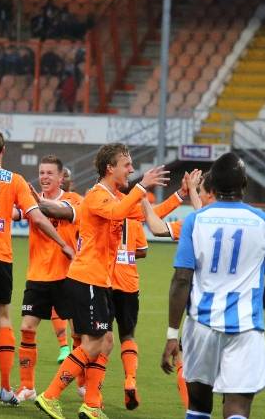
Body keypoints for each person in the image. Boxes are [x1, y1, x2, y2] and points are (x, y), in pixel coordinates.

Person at [35, 143, 169, 419]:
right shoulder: (97, 196)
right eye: (127, 165)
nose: (131, 169)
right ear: (110, 168)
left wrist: (179, 195)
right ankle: (50, 396)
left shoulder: (114, 197)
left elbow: (147, 215)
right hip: (87, 280)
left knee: (106, 341)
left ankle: (92, 404)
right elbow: (118, 214)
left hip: (99, 282)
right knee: (94, 344)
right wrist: (142, 187)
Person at [161, 152, 265, 419]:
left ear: (213, 187)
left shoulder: (196, 220)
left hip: (201, 326)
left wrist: (172, 334)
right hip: (246, 328)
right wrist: (253, 307)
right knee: (237, 407)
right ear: (244, 185)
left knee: (198, 406)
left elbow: (181, 279)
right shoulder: (264, 222)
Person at [0, 130, 75, 408]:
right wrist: (63, 244)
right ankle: (6, 388)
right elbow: (38, 218)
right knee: (4, 318)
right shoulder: (15, 180)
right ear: (3, 150)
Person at [110, 170, 202, 410]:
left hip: (103, 279)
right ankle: (130, 379)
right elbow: (147, 238)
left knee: (96, 340)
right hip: (129, 282)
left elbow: (157, 225)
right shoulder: (254, 221)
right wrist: (184, 193)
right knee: (128, 336)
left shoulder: (100, 202)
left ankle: (90, 395)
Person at [14, 155, 83, 403]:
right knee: (26, 328)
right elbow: (13, 213)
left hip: (68, 276)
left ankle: (83, 385)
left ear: (61, 177)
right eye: (41, 172)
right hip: (37, 276)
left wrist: (36, 202)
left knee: (79, 333)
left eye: (49, 173)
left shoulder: (73, 200)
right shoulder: (31, 201)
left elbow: (58, 210)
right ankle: (27, 387)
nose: (44, 177)